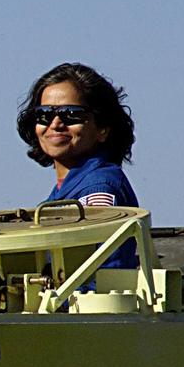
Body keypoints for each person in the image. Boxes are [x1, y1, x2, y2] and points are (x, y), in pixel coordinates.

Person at [16, 62, 139, 269]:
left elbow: (101, 272)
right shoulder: (63, 191)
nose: (55, 124)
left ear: (102, 128)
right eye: (44, 114)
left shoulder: (98, 188)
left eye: (71, 114)